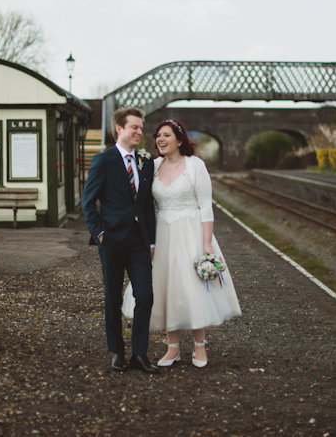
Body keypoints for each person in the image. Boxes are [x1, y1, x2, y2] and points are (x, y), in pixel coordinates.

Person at [124, 119, 241, 368]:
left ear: (179, 139)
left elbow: (205, 205)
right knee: (167, 289)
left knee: (193, 289)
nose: (160, 140)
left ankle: (200, 347)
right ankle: (172, 348)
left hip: (191, 232)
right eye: (157, 136)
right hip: (162, 234)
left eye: (166, 135)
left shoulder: (195, 165)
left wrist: (207, 243)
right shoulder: (152, 166)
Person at [81, 107, 159, 374]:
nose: (140, 132)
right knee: (113, 298)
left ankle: (140, 353)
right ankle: (117, 352)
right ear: (119, 129)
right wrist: (100, 234)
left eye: (140, 127)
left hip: (139, 242)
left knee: (145, 296)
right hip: (112, 240)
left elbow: (146, 204)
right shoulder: (103, 160)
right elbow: (88, 202)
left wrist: (151, 242)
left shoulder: (145, 161)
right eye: (134, 127)